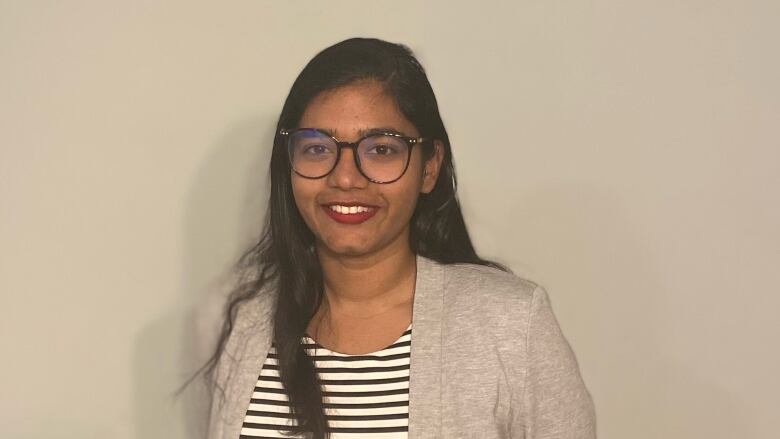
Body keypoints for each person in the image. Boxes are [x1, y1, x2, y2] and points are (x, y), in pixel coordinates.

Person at [201, 37, 596, 439]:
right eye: (317, 148)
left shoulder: (510, 324)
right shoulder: (247, 320)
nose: (345, 177)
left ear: (429, 167)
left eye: (382, 150)